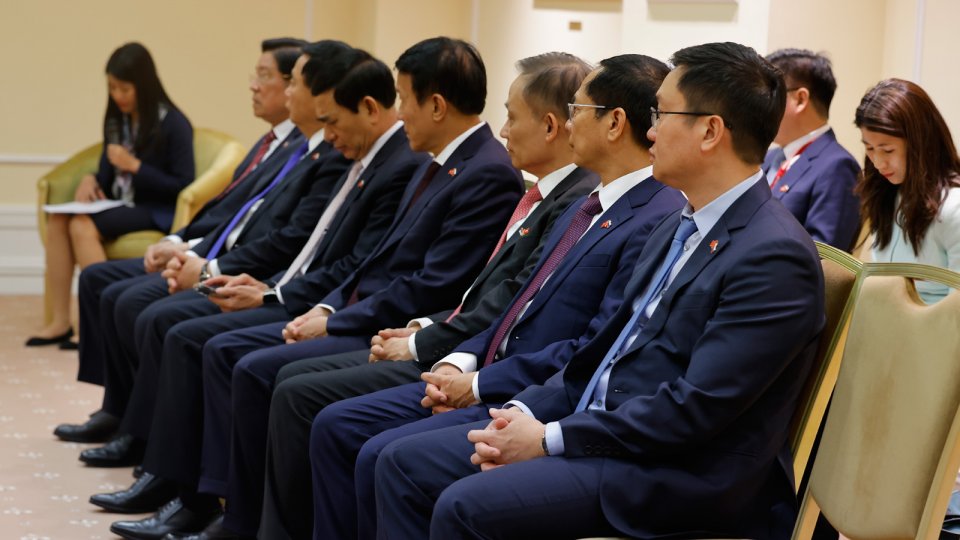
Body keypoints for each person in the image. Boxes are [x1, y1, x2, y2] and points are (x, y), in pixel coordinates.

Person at [374, 42, 825, 540]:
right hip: (603, 432)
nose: (649, 130)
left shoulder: (773, 255)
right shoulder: (678, 225)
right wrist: (527, 414)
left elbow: (693, 409)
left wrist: (549, 438)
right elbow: (600, 352)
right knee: (403, 463)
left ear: (710, 131)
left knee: (464, 506)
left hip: (674, 476)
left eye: (662, 114)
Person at [108, 36, 522, 540]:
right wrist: (319, 306)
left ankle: (241, 520)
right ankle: (221, 508)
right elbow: (373, 261)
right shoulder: (441, 163)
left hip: (402, 331)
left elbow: (431, 285)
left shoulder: (482, 172)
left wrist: (333, 317)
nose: (399, 110)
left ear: (435, 105)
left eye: (404, 97)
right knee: (231, 353)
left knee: (260, 370)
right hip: (370, 314)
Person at [306, 52, 685, 540]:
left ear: (613, 123)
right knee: (344, 428)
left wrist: (481, 384)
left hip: (530, 393)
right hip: (494, 374)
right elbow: (516, 302)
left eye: (577, 111)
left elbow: (592, 347)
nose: (568, 123)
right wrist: (460, 363)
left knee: (392, 459)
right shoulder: (589, 203)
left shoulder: (653, 216)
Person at [255, 51, 599, 540]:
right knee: (300, 392)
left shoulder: (567, 200)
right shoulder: (540, 191)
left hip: (496, 372)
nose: (503, 131)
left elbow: (503, 303)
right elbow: (486, 293)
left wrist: (436, 351)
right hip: (455, 344)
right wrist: (426, 335)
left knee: (326, 413)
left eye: (512, 117)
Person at [52, 38, 307, 444]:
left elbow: (194, 194)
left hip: (236, 264)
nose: (252, 85)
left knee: (134, 304)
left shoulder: (304, 151)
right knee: (98, 280)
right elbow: (224, 211)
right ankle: (116, 407)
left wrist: (201, 262)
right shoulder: (270, 143)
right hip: (204, 247)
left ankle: (138, 427)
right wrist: (178, 241)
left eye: (264, 76)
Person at [29, 42, 194, 348]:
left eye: (124, 89)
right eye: (112, 88)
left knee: (81, 225)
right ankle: (60, 321)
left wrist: (136, 166)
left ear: (143, 86)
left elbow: (183, 183)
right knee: (59, 220)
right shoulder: (117, 121)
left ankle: (95, 327)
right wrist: (91, 178)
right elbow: (107, 172)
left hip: (153, 208)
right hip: (119, 203)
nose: (118, 96)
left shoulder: (173, 123)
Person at [855, 78, 960, 303]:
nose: (878, 163)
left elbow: (955, 311)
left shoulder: (953, 208)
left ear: (921, 142)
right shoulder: (887, 191)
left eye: (888, 150)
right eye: (870, 149)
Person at [763, 48, 860, 250]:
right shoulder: (767, 157)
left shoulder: (837, 166)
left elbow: (825, 253)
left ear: (800, 99)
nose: (759, 107)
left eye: (767, 95)